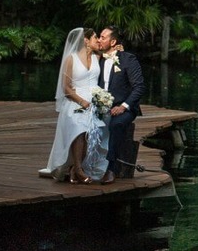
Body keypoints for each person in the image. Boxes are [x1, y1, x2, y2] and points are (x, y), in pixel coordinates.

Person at [43, 28, 109, 183]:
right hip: (75, 100)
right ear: (85, 40)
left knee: (93, 130)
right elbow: (66, 88)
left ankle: (77, 168)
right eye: (95, 38)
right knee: (80, 128)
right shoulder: (71, 59)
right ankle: (78, 169)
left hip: (94, 101)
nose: (98, 40)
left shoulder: (98, 57)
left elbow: (112, 56)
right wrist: (81, 101)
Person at [96, 26, 145, 184]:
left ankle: (111, 168)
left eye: (103, 37)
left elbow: (139, 87)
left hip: (123, 107)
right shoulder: (97, 58)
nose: (99, 39)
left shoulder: (127, 59)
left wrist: (123, 106)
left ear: (113, 41)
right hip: (100, 105)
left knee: (116, 124)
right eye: (98, 37)